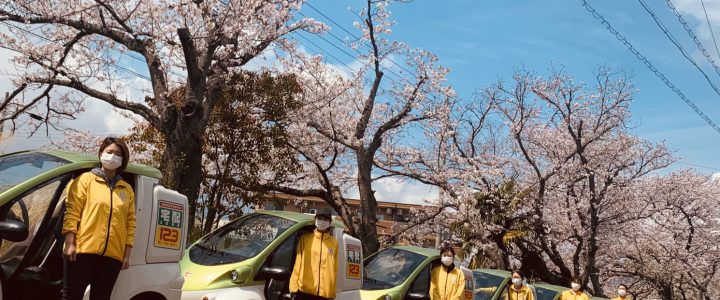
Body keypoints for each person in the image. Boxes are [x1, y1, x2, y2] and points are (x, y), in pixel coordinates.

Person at [62, 137, 136, 300]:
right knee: (72, 296)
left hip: (113, 256)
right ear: (101, 153)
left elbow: (130, 223)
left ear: (122, 159)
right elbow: (72, 212)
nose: (113, 156)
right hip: (83, 250)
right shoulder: (85, 180)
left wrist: (127, 254)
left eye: (118, 154)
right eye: (109, 152)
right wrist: (69, 243)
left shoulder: (127, 189)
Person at [289, 208, 339, 300]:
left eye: (325, 219)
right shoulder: (305, 239)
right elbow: (298, 263)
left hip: (324, 295)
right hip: (304, 292)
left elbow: (334, 269)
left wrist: (332, 292)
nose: (322, 221)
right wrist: (293, 287)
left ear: (330, 222)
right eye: (320, 218)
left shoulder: (334, 243)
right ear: (315, 219)